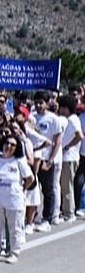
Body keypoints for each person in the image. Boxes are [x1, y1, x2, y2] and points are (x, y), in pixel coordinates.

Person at [0, 133, 34, 263]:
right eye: (7, 143)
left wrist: (22, 189)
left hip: (14, 201)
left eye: (13, 145)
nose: (9, 146)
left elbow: (30, 178)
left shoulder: (19, 161)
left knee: (14, 228)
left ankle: (14, 252)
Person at [31, 90, 64, 231]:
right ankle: (32, 218)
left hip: (46, 159)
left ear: (47, 103)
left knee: (48, 189)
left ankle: (47, 218)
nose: (38, 105)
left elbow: (57, 141)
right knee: (32, 189)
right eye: (36, 102)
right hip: (33, 158)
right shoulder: (31, 117)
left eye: (41, 103)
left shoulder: (53, 119)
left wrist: (50, 160)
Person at [56, 95, 82, 223]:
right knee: (64, 185)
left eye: (63, 107)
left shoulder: (72, 119)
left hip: (70, 157)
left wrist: (67, 146)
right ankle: (66, 210)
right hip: (67, 157)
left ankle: (69, 212)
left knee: (67, 186)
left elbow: (79, 136)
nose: (60, 110)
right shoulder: (70, 119)